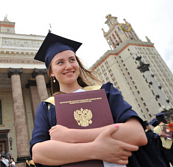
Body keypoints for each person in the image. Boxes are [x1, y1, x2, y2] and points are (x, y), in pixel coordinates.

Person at [30, 32, 147, 166]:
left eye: (72, 60)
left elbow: (137, 134)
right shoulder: (48, 106)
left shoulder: (105, 91)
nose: (68, 66)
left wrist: (71, 136)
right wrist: (95, 150)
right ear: (51, 72)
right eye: (60, 62)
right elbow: (38, 153)